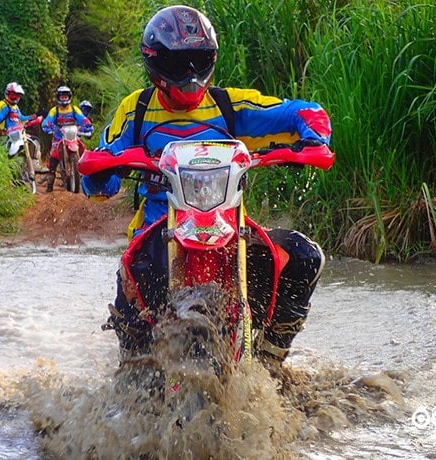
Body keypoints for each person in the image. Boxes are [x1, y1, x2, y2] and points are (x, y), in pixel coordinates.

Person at [81, 5, 333, 374]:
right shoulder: (134, 110)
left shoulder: (229, 105)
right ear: (155, 63)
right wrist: (104, 170)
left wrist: (314, 140)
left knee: (304, 257)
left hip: (230, 230)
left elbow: (302, 111)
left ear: (211, 59)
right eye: (178, 63)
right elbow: (100, 175)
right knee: (133, 296)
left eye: (198, 61)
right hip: (158, 231)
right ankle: (131, 375)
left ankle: (271, 360)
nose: (189, 74)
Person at [41, 86, 93, 192]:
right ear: (58, 97)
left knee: (83, 148)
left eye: (65, 97)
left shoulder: (74, 109)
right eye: (62, 97)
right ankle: (50, 185)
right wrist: (47, 126)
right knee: (53, 159)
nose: (64, 99)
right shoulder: (55, 110)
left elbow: (82, 118)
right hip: (58, 137)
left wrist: (87, 124)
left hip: (72, 136)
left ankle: (84, 173)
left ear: (69, 97)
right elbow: (48, 120)